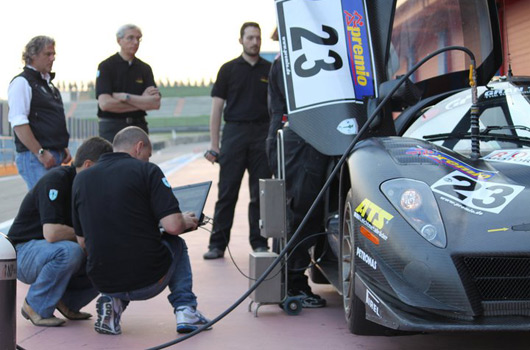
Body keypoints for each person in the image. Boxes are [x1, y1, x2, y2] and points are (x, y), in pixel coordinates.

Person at [72, 126, 210, 335]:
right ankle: (186, 309)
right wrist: (183, 219)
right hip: (148, 279)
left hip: (103, 280)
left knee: (114, 252)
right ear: (139, 147)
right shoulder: (148, 171)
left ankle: (112, 302)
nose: (147, 159)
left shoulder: (81, 179)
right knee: (177, 244)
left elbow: (82, 242)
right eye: (148, 154)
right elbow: (172, 226)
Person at [8, 136, 113, 326]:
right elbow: (52, 233)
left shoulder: (90, 190)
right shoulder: (57, 180)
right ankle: (35, 306)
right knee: (70, 251)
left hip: (50, 251)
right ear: (88, 165)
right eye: (105, 170)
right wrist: (88, 233)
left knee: (106, 252)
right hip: (23, 252)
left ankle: (68, 302)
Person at [266, 30, 327, 308]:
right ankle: (293, 283)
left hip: (297, 139)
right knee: (300, 212)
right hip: (295, 141)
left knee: (302, 211)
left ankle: (291, 280)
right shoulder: (288, 61)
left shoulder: (289, 59)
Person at [203, 22, 272, 259]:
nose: (254, 42)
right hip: (234, 133)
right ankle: (217, 245)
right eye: (250, 37)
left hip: (262, 134)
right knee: (227, 191)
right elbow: (216, 109)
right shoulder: (228, 69)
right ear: (240, 40)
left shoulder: (270, 70)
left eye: (258, 38)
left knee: (261, 193)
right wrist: (215, 144)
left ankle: (260, 242)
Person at [8, 35, 71, 190]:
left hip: (53, 155)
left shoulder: (50, 86)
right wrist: (40, 152)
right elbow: (19, 123)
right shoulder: (22, 82)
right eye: (48, 54)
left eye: (53, 54)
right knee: (45, 206)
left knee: (54, 207)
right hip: (36, 158)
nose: (53, 58)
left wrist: (62, 146)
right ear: (32, 56)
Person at [95, 24, 161, 142]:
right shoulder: (106, 66)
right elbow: (105, 104)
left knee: (139, 161)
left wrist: (125, 97)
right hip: (112, 128)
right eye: (130, 38)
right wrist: (141, 101)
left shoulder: (144, 69)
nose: (135, 42)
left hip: (138, 127)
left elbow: (155, 104)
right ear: (119, 40)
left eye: (138, 38)